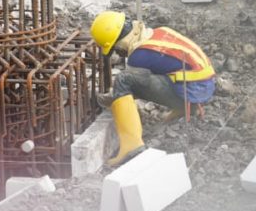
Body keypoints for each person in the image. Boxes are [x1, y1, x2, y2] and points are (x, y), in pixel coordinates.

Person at [90, 10, 216, 166]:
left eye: (116, 49)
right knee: (139, 78)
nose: (118, 53)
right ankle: (186, 107)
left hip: (191, 91)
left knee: (123, 79)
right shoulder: (159, 31)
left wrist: (116, 95)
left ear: (119, 42)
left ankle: (132, 145)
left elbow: (135, 84)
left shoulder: (139, 56)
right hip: (205, 83)